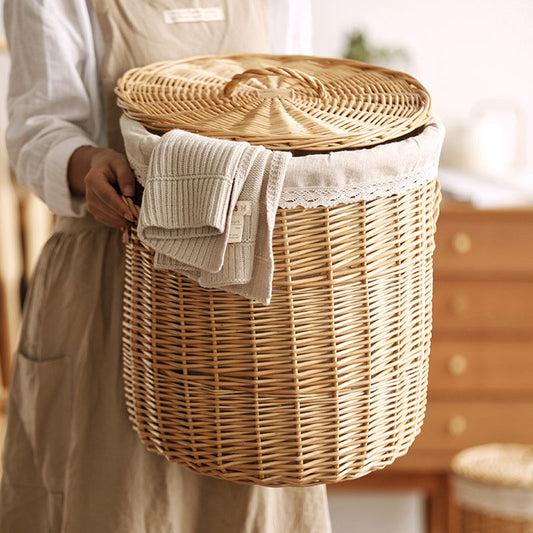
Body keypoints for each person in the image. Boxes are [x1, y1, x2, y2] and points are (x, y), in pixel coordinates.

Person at [0, 1, 332, 532]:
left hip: (247, 303)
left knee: (249, 502)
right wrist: (86, 164)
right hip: (115, 281)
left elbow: (300, 110)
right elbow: (35, 129)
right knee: (118, 502)